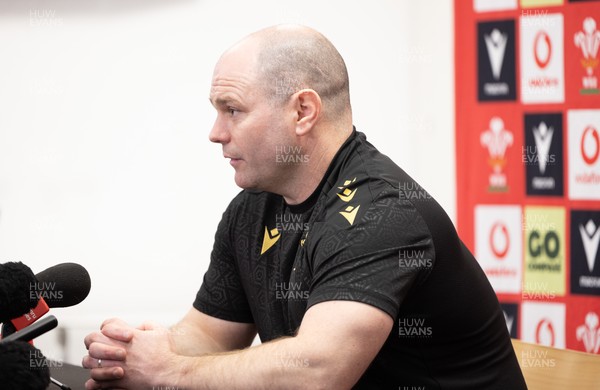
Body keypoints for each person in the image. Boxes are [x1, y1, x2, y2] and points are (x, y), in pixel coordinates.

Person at [82, 25, 527, 389]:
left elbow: (318, 372)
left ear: (303, 112)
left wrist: (168, 372)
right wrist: (131, 354)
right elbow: (208, 334)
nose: (215, 132)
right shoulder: (252, 209)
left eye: (232, 110)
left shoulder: (381, 211)